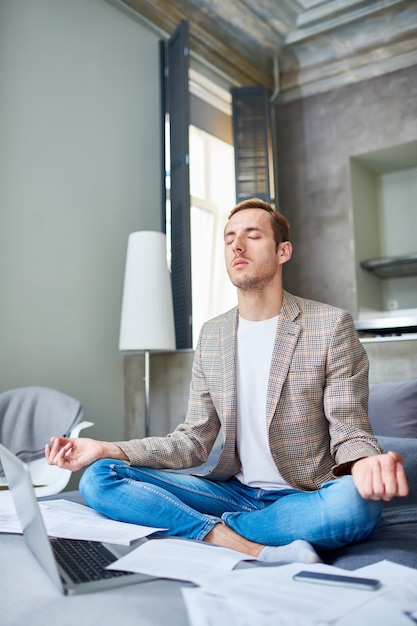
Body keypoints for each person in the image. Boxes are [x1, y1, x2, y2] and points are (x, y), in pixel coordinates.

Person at [45, 198, 409, 564]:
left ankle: (199, 527)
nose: (237, 245)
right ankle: (233, 540)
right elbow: (193, 441)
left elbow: (349, 429)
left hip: (303, 495)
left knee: (356, 506)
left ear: (283, 251)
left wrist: (363, 463)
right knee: (99, 477)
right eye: (230, 237)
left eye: (253, 236)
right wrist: (106, 447)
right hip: (231, 493)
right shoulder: (213, 334)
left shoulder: (330, 326)